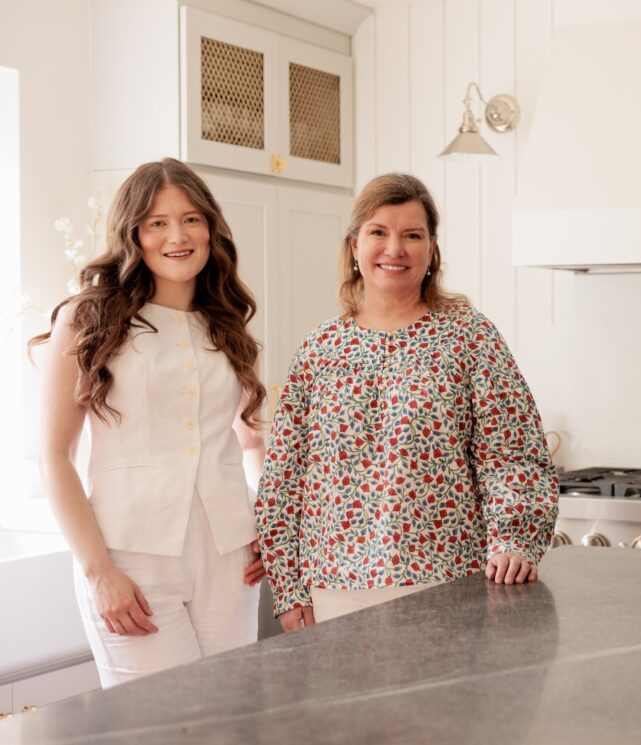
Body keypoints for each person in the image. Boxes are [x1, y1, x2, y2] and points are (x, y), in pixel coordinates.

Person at [255, 172, 559, 632]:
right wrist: (288, 587)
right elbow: (285, 477)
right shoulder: (321, 346)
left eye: (412, 235)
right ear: (355, 246)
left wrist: (514, 539)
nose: (394, 249)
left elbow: (512, 453)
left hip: (448, 584)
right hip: (332, 591)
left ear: (432, 250)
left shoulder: (469, 336)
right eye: (379, 232)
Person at [30, 158, 267, 687]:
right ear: (132, 232)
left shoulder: (226, 321)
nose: (177, 236)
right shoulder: (86, 319)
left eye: (191, 219)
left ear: (211, 227)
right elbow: (54, 456)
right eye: (157, 222)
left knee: (226, 720)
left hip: (231, 557)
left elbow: (251, 439)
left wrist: (266, 518)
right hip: (130, 558)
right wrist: (100, 573)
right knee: (160, 725)